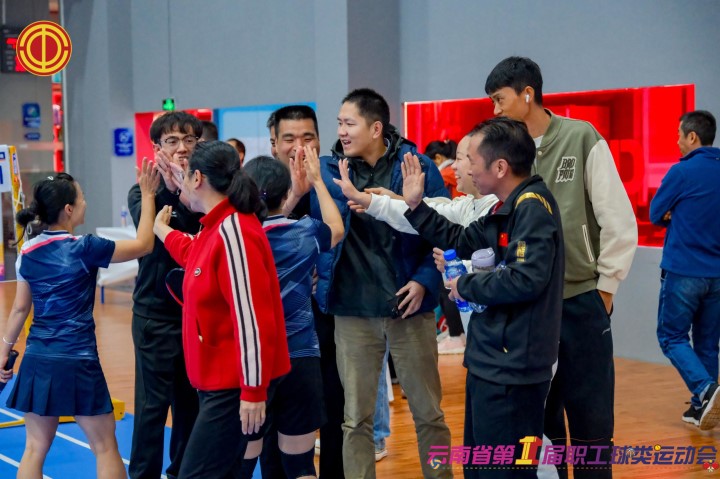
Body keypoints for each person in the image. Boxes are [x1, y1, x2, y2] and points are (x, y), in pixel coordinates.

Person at [485, 56, 638, 478]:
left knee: (591, 425)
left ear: (527, 94)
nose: (495, 109)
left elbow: (618, 220)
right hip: (531, 309)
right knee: (542, 426)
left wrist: (604, 290)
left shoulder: (580, 137)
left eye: (499, 99)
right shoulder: (506, 152)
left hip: (581, 302)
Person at [304, 88, 453, 479]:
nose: (341, 131)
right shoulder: (327, 170)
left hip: (409, 307)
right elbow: (305, 223)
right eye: (339, 123)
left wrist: (424, 281)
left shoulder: (416, 165)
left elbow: (443, 229)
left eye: (349, 123)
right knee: (355, 419)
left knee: (429, 413)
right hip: (351, 310)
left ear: (375, 128)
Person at [403, 117, 564, 478]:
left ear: (500, 167)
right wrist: (416, 207)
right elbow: (460, 239)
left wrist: (466, 285)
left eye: (471, 160)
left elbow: (526, 279)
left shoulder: (532, 208)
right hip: (490, 359)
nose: (466, 169)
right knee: (479, 465)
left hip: (513, 366)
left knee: (503, 469)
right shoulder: (504, 208)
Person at [0, 162, 160, 479]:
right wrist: (148, 195)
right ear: (69, 209)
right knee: (105, 446)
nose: (86, 202)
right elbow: (144, 245)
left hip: (38, 359)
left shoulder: (28, 251)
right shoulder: (86, 247)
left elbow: (19, 309)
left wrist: (3, 352)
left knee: (34, 448)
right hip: (78, 359)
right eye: (82, 198)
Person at [153, 141, 291, 478]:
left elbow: (252, 318)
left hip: (234, 385)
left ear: (198, 178)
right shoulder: (215, 225)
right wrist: (162, 231)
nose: (182, 184)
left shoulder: (234, 231)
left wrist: (253, 391)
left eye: (186, 176)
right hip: (221, 382)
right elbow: (195, 256)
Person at [335, 134, 498, 354]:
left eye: (461, 158)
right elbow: (428, 214)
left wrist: (459, 266)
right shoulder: (468, 205)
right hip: (481, 335)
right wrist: (377, 200)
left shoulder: (501, 210)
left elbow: (506, 272)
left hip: (502, 335)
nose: (454, 166)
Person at [243, 149, 343, 478]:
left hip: (255, 363)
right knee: (300, 466)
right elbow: (336, 227)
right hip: (301, 360)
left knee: (243, 464)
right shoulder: (305, 232)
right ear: (286, 192)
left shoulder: (239, 240)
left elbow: (265, 221)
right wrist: (317, 182)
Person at [127, 111, 203, 479]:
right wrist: (172, 190)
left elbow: (203, 238)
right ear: (157, 148)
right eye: (172, 141)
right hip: (154, 316)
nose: (182, 148)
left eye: (189, 140)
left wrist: (188, 191)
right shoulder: (143, 191)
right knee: (151, 409)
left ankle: (182, 474)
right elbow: (154, 240)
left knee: (190, 407)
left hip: (194, 316)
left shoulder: (206, 191)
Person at [272, 104, 347, 479]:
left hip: (328, 309)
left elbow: (343, 234)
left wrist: (322, 268)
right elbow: (255, 233)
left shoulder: (336, 176)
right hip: (277, 322)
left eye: (308, 137)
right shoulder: (259, 181)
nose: (299, 146)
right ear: (274, 143)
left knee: (334, 403)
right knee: (274, 415)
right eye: (289, 138)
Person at [650, 110, 720, 430]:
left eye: (679, 135)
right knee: (707, 343)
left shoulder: (682, 171)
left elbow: (655, 213)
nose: (677, 141)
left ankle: (706, 390)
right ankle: (700, 408)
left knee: (671, 337)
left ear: (692, 137)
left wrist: (674, 213)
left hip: (683, 272)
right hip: (717, 275)